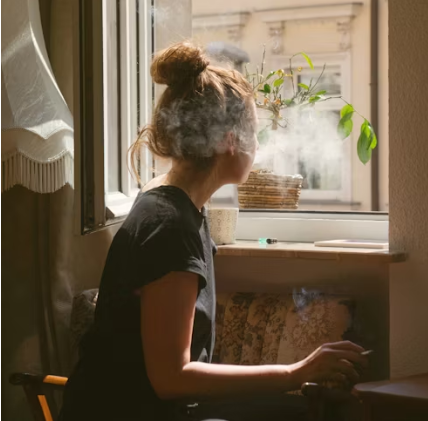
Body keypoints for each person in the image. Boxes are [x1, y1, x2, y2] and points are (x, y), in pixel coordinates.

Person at [60, 41, 368, 421]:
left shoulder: (174, 203)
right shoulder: (171, 226)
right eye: (253, 133)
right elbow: (171, 379)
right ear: (228, 140)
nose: (257, 147)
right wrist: (295, 372)